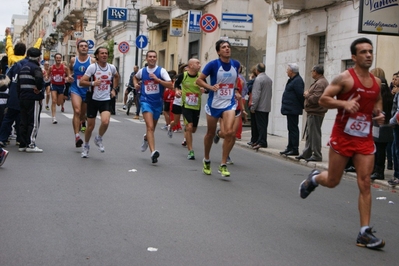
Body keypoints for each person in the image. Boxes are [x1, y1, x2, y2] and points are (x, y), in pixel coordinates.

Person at [299, 37, 385, 249]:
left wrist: (379, 113)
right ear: (354, 57)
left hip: (364, 139)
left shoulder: (376, 83)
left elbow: (377, 100)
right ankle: (315, 179)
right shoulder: (344, 78)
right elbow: (323, 100)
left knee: (365, 182)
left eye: (370, 51)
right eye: (363, 52)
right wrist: (344, 103)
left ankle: (364, 232)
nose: (368, 55)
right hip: (343, 136)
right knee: (333, 180)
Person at [196, 40, 241, 177]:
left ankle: (223, 164)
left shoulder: (236, 64)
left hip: (229, 103)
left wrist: (237, 91)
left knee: (229, 133)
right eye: (224, 47)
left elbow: (234, 81)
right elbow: (199, 80)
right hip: (214, 103)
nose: (227, 49)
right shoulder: (213, 65)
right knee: (210, 133)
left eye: (228, 47)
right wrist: (211, 87)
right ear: (218, 51)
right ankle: (207, 159)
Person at [79, 47, 119, 158]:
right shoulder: (93, 68)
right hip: (92, 99)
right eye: (102, 53)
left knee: (105, 122)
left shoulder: (111, 67)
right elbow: (82, 82)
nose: (104, 55)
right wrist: (93, 83)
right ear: (97, 55)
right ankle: (86, 145)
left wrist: (114, 89)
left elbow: (117, 77)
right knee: (90, 126)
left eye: (106, 53)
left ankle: (99, 138)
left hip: (106, 98)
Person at [133, 50, 173, 163]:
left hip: (157, 103)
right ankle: (153, 152)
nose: (152, 58)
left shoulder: (162, 71)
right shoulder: (143, 71)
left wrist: (158, 80)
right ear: (146, 58)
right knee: (150, 127)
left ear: (156, 58)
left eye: (154, 57)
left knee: (152, 129)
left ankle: (146, 138)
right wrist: (136, 84)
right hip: (145, 101)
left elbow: (170, 85)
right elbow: (135, 77)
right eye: (150, 56)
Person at [295, 64, 329, 162]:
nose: (311, 73)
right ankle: (307, 153)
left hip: (316, 112)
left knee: (314, 134)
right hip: (313, 111)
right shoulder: (319, 82)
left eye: (312, 71)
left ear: (316, 72)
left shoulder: (320, 83)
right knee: (310, 134)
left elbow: (315, 99)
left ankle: (317, 154)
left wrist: (307, 94)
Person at [68, 40, 96, 148]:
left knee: (83, 115)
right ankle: (77, 136)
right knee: (77, 111)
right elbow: (69, 69)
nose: (84, 47)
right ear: (78, 48)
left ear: (88, 48)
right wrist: (70, 76)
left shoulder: (92, 61)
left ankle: (80, 124)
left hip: (87, 90)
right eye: (81, 46)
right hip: (76, 89)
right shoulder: (73, 60)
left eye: (85, 46)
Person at [174, 59, 203, 159]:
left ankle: (187, 130)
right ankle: (191, 151)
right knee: (190, 127)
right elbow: (176, 84)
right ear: (191, 65)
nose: (199, 65)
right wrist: (177, 91)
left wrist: (204, 89)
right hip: (186, 105)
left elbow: (207, 88)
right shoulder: (183, 75)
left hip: (196, 105)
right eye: (197, 63)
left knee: (193, 130)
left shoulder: (201, 76)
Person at [17, 48, 45, 153]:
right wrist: (40, 89)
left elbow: (18, 84)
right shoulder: (36, 67)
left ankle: (22, 144)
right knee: (33, 122)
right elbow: (39, 79)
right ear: (38, 57)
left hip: (23, 97)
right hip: (33, 98)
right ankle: (31, 144)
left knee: (23, 121)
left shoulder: (23, 67)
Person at [369, 68, 393, 180]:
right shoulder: (389, 94)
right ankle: (377, 170)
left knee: (378, 149)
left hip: (379, 125)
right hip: (386, 125)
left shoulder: (380, 95)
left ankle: (378, 171)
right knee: (380, 149)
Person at [280, 63, 304, 156]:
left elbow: (300, 95)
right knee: (290, 128)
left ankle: (294, 148)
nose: (286, 71)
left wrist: (301, 106)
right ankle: (290, 147)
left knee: (293, 129)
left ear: (292, 71)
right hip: (290, 108)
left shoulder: (297, 81)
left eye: (287, 70)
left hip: (293, 108)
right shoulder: (292, 80)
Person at [249, 63, 273, 150]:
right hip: (266, 105)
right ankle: (260, 140)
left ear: (257, 70)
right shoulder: (269, 79)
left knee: (260, 125)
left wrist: (253, 106)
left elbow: (256, 95)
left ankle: (262, 141)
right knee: (264, 124)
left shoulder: (258, 79)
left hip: (260, 106)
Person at [50, 53, 69, 124]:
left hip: (61, 85)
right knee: (54, 101)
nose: (58, 59)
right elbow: (47, 75)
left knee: (59, 103)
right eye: (57, 58)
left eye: (59, 58)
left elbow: (69, 75)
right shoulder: (51, 67)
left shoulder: (64, 68)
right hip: (53, 85)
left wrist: (68, 78)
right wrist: (45, 77)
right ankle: (53, 117)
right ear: (55, 59)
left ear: (61, 59)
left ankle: (59, 103)